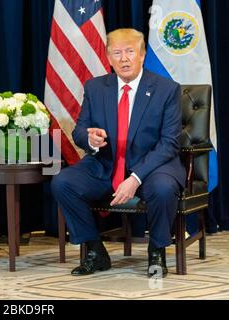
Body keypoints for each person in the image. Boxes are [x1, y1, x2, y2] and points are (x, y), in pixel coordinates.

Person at [51, 29, 185, 278]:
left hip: (153, 166)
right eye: (117, 53)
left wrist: (135, 178)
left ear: (142, 55)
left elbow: (169, 144)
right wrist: (89, 139)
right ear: (109, 58)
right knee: (63, 182)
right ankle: (95, 250)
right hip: (106, 164)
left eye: (130, 52)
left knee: (164, 188)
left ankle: (157, 252)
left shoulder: (166, 89)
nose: (124, 59)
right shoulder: (95, 87)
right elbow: (80, 130)